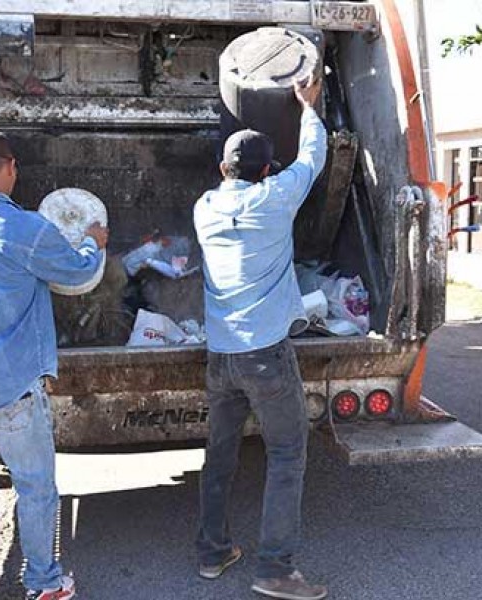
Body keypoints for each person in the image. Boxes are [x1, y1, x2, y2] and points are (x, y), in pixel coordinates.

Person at [0, 129, 109, 600]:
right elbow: (80, 273)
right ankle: (45, 584)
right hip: (10, 385)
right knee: (35, 488)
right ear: (11, 168)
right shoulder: (27, 229)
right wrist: (94, 242)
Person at [193, 79, 328, 600]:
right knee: (288, 455)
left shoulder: (205, 208)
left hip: (221, 356)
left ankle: (213, 551)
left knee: (220, 453)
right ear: (266, 170)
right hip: (266, 355)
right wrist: (307, 108)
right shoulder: (275, 199)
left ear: (223, 168)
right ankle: (274, 568)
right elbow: (313, 159)